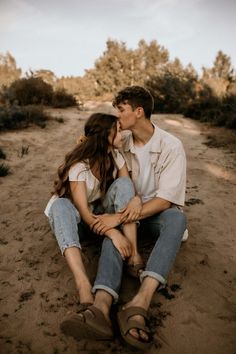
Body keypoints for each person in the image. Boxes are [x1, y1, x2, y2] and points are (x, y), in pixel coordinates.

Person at [61, 87, 187, 350]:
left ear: (138, 112)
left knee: (176, 218)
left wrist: (116, 218)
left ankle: (140, 301)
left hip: (152, 215)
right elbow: (94, 150)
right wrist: (84, 142)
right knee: (114, 222)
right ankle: (102, 304)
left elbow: (165, 200)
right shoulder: (120, 140)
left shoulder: (171, 146)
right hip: (118, 213)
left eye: (121, 110)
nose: (117, 116)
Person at [44, 113, 143, 315]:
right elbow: (83, 212)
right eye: (118, 130)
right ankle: (82, 284)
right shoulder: (80, 166)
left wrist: (136, 199)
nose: (122, 134)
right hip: (77, 222)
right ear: (106, 135)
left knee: (124, 183)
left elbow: (127, 187)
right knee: (60, 205)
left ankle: (133, 253)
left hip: (100, 214)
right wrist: (113, 233)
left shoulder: (116, 156)